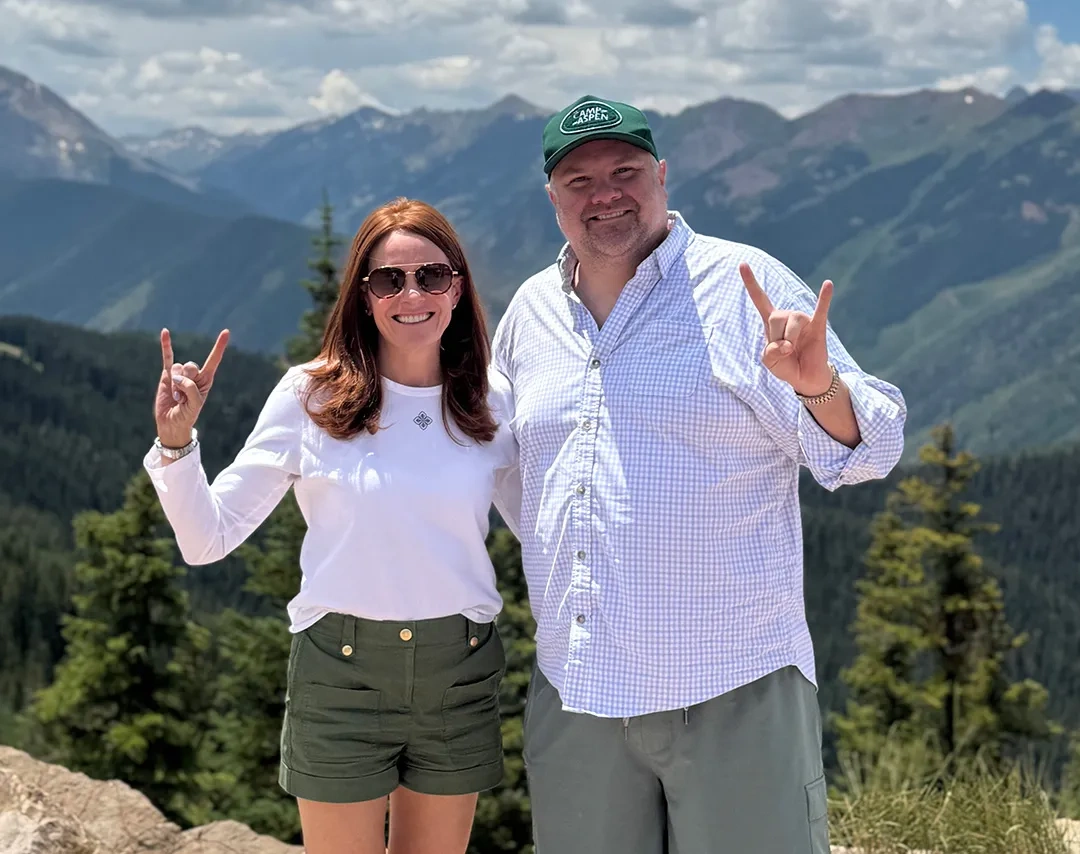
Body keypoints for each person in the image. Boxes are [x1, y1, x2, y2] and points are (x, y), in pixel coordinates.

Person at [490, 95, 907, 854]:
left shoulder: (743, 287)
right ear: (552, 197)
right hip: (578, 691)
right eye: (579, 180)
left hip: (733, 686)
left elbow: (868, 453)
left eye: (625, 171)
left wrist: (818, 386)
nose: (605, 194)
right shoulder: (529, 313)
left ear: (663, 176)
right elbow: (519, 477)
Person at [143, 198, 519, 854]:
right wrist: (177, 447)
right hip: (341, 674)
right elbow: (208, 540)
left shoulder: (491, 400)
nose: (412, 294)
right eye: (388, 280)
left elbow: (543, 529)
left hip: (459, 670)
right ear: (362, 295)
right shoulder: (308, 396)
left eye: (431, 276)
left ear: (458, 287)